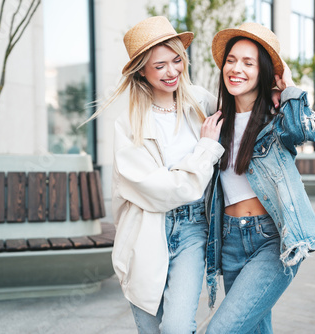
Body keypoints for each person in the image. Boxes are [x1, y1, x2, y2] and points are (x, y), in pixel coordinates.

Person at [86, 16, 224, 333]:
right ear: (142, 71)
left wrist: (280, 87)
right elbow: (163, 189)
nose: (172, 71)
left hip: (192, 229)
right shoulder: (129, 125)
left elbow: (247, 113)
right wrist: (205, 150)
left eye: (176, 60)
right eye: (159, 65)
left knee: (176, 328)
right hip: (145, 231)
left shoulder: (201, 102)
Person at [205, 22, 315, 333]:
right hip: (230, 240)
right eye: (231, 60)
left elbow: (310, 130)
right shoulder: (215, 125)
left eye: (248, 62)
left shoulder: (277, 121)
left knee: (221, 329)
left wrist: (287, 86)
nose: (236, 68)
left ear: (264, 72)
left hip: (272, 240)